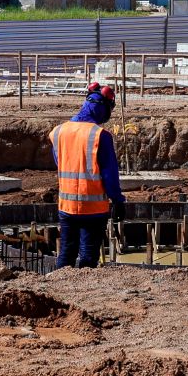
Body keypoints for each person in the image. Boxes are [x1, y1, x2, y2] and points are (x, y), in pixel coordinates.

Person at [49, 85, 126, 268]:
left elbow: (61, 163)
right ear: (103, 106)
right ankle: (83, 293)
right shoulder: (100, 135)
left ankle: (58, 289)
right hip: (93, 208)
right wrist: (118, 201)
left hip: (66, 206)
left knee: (66, 253)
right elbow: (109, 175)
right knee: (89, 256)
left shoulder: (58, 132)